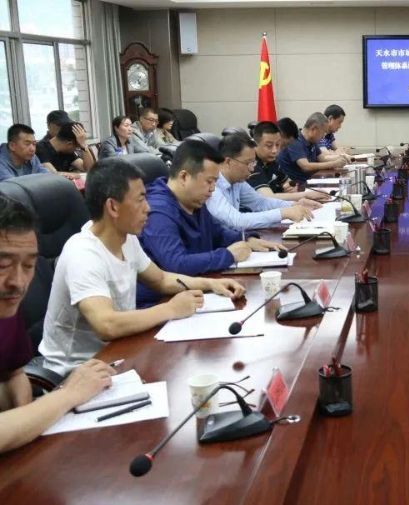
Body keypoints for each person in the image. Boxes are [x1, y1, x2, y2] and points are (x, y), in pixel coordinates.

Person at [38, 158, 245, 375]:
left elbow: (161, 279)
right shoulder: (82, 254)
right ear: (113, 207)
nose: (148, 208)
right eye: (140, 200)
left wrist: (211, 284)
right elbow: (106, 325)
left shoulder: (125, 237)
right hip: (78, 371)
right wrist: (170, 309)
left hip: (119, 353)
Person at [0, 195, 117, 454]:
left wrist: (30, 422)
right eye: (3, 265)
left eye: (29, 265)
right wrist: (68, 394)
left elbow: (14, 374)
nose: (18, 282)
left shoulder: (6, 306)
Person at [138, 141, 283, 307]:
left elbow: (217, 233)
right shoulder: (157, 211)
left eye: (215, 182)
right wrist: (228, 255)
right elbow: (176, 264)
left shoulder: (193, 199)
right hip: (161, 303)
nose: (213, 189)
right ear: (184, 177)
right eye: (209, 181)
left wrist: (246, 239)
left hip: (199, 289)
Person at [208, 132, 318, 231]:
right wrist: (282, 213)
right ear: (228, 162)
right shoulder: (211, 185)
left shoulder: (237, 181)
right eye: (248, 163)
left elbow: (261, 202)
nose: (252, 169)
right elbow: (236, 221)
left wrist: (294, 204)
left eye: (253, 162)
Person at [247, 121, 330, 203]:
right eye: (269, 145)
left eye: (278, 145)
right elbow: (268, 197)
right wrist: (306, 195)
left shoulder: (272, 161)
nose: (274, 150)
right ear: (255, 144)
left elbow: (289, 182)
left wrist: (292, 187)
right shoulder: (251, 164)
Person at [276, 114, 347, 185]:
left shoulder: (312, 140)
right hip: (296, 185)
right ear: (314, 129)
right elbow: (306, 166)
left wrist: (341, 157)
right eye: (323, 132)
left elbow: (323, 158)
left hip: (309, 181)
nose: (323, 137)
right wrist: (333, 164)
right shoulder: (295, 140)